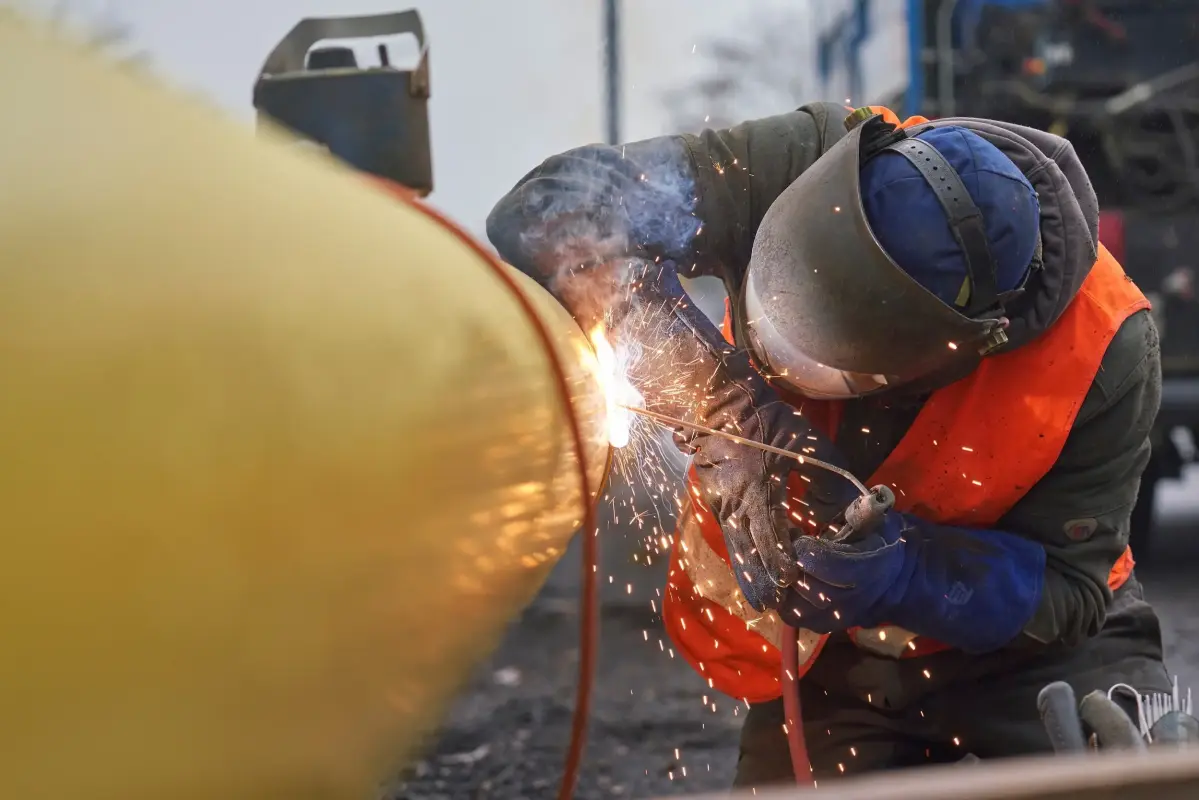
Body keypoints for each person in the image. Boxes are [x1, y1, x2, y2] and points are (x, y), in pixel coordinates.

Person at [486, 103, 1173, 787]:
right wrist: (717, 396)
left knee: (1129, 780)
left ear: (958, 350)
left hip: (1035, 658)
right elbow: (548, 207)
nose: (782, 363)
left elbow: (1068, 591)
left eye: (833, 366)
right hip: (837, 661)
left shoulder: (1105, 347)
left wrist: (907, 571)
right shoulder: (808, 159)